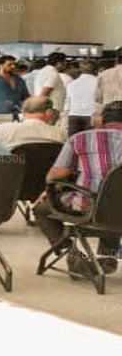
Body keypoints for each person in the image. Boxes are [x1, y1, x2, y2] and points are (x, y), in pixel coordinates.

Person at [32, 100, 122, 269]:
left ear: (102, 120)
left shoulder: (80, 138)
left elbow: (56, 175)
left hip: (89, 207)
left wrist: (51, 190)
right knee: (114, 201)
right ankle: (107, 257)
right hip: (116, 211)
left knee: (41, 209)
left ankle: (73, 257)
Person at [0, 96, 66, 150]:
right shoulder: (61, 134)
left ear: (23, 112)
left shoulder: (4, 129)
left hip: (9, 174)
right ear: (49, 112)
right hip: (46, 176)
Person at [64, 60, 99, 136]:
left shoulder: (72, 83)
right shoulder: (98, 82)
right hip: (92, 115)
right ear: (96, 69)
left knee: (74, 142)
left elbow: (67, 102)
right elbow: (99, 98)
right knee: (91, 142)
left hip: (74, 115)